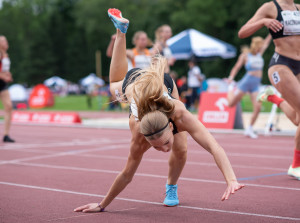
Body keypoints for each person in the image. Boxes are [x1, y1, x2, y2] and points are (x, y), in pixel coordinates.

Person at [74, 8, 244, 213]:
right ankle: (121, 31)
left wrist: (231, 179)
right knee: (115, 86)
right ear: (145, 138)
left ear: (172, 125)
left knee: (181, 149)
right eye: (155, 147)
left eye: (164, 142)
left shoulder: (179, 113)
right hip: (133, 84)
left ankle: (171, 187)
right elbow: (127, 175)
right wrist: (102, 205)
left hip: (164, 84)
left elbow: (213, 146)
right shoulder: (138, 133)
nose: (164, 150)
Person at [238, 0, 300, 179]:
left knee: (298, 120)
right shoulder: (271, 7)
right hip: (282, 65)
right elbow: (242, 32)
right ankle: (296, 165)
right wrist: (263, 22)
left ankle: (273, 98)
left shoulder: (298, 8)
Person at [226, 35, 271, 138]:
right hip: (246, 82)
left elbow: (267, 42)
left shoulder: (260, 53)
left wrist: (272, 29)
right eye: (260, 45)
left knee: (258, 107)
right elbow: (236, 67)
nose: (262, 47)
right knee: (231, 104)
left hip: (255, 84)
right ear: (256, 46)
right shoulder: (246, 56)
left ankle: (249, 128)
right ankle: (230, 88)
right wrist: (231, 77)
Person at [0, 35, 15, 143]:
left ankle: (6, 134)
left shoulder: (6, 55)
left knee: (9, 107)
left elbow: (4, 69)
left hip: (3, 84)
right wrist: (4, 76)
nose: (6, 42)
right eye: (4, 41)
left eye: (6, 40)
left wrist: (8, 75)